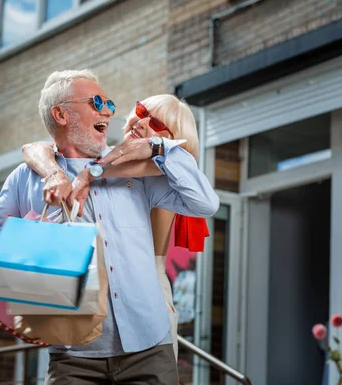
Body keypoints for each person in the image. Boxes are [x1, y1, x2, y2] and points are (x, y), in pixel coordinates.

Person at [0, 69, 219, 384]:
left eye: (110, 103)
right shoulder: (25, 177)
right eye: (97, 101)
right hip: (73, 356)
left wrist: (160, 148)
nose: (108, 110)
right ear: (61, 114)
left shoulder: (134, 172)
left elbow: (205, 204)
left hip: (149, 347)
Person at [22, 94, 206, 358]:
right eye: (141, 111)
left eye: (155, 124)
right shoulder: (109, 158)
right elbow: (32, 148)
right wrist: (55, 169)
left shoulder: (157, 173)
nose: (142, 123)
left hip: (148, 295)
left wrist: (90, 172)